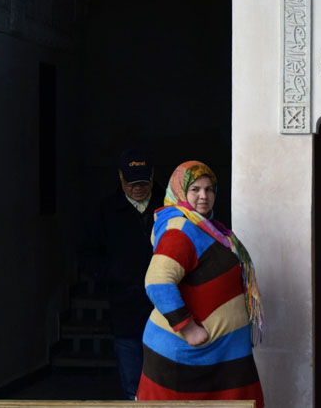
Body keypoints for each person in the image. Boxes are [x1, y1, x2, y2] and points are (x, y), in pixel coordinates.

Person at [136, 160, 265, 406]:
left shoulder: (207, 227)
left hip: (214, 358)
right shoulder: (180, 228)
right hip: (188, 359)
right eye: (195, 189)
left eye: (209, 189)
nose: (203, 196)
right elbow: (157, 281)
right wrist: (189, 329)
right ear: (180, 192)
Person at [96, 148, 165, 400]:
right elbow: (89, 254)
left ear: (153, 175)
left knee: (165, 381)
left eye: (144, 182)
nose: (138, 188)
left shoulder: (168, 206)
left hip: (166, 310)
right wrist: (115, 276)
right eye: (131, 182)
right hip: (126, 309)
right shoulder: (106, 210)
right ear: (120, 177)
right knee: (132, 386)